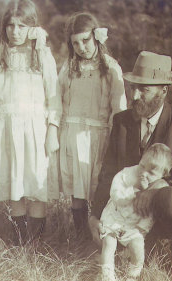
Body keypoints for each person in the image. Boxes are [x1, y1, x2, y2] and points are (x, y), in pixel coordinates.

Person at [90, 51, 172, 271]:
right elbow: (108, 174)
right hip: (131, 214)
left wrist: (163, 184)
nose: (135, 96)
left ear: (164, 91)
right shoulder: (122, 122)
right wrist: (94, 215)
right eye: (133, 88)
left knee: (168, 197)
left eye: (144, 90)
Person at [0, 0, 61, 245]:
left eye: (22, 26)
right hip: (5, 130)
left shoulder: (42, 55)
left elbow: (54, 98)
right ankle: (19, 241)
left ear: (33, 27)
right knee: (14, 185)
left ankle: (35, 242)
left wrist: (52, 130)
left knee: (35, 184)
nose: (15, 31)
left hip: (35, 128)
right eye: (10, 25)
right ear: (4, 27)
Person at [57, 12, 126, 238]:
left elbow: (119, 108)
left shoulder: (110, 68)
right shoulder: (69, 67)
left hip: (99, 135)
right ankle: (80, 237)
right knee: (77, 190)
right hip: (73, 134)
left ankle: (100, 236)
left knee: (98, 187)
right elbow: (57, 99)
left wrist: (118, 140)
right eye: (75, 42)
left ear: (96, 38)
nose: (81, 47)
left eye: (85, 40)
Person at [100, 143, 172, 281]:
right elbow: (115, 194)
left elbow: (150, 215)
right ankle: (107, 276)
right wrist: (133, 191)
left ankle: (132, 276)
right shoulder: (126, 174)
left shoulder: (157, 189)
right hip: (114, 217)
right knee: (109, 243)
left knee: (138, 248)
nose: (143, 173)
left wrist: (141, 230)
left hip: (134, 226)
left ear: (163, 175)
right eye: (141, 166)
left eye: (151, 172)